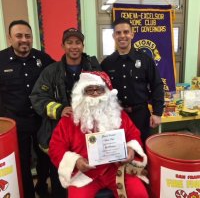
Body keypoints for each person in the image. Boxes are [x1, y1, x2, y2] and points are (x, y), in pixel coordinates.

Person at [48, 71, 149, 198]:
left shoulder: (118, 114)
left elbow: (133, 134)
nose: (95, 94)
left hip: (117, 168)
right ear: (82, 94)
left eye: (99, 90)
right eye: (90, 90)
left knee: (139, 194)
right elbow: (55, 147)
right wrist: (76, 161)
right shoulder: (69, 119)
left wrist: (130, 149)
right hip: (85, 174)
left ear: (106, 92)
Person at [30, 28, 101, 197]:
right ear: (63, 45)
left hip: (89, 134)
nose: (74, 46)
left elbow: (107, 95)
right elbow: (37, 97)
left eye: (78, 42)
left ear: (83, 46)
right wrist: (59, 109)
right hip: (59, 133)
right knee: (60, 176)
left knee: (89, 175)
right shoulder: (50, 71)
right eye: (69, 42)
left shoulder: (95, 68)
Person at [0, 20, 55, 198]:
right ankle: (29, 193)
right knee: (22, 162)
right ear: (10, 39)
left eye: (27, 36)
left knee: (45, 158)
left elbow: (59, 75)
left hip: (41, 120)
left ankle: (41, 187)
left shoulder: (43, 59)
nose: (24, 40)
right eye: (19, 36)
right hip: (16, 122)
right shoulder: (0, 60)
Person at [101, 18, 164, 143]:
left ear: (132, 34)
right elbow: (102, 91)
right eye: (118, 33)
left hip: (141, 115)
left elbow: (157, 85)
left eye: (126, 32)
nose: (122, 36)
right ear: (113, 36)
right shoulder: (107, 63)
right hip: (116, 115)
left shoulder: (146, 60)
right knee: (119, 152)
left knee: (141, 152)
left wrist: (157, 113)